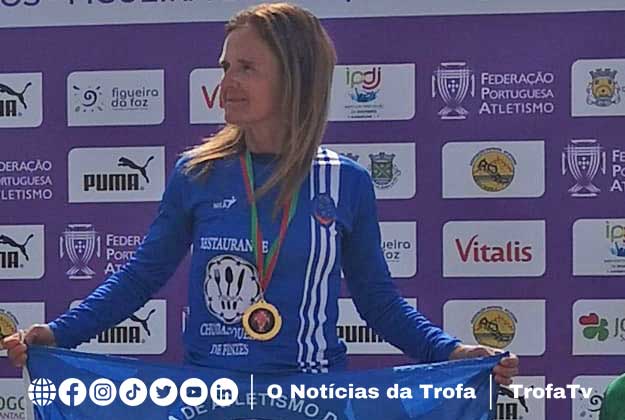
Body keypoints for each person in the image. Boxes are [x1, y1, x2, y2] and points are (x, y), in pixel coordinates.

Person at [2, 2, 518, 385]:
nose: (227, 82)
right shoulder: (198, 173)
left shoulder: (346, 181)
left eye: (246, 68)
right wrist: (60, 333)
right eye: (226, 67)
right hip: (212, 395)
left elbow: (378, 302)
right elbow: (139, 278)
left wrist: (452, 354)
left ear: (295, 77)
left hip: (313, 397)